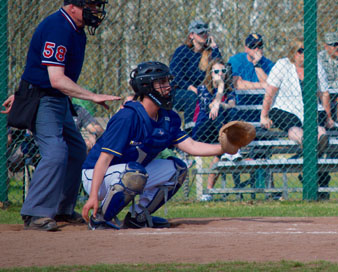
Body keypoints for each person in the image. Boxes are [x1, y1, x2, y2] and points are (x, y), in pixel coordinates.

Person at [1, 0, 120, 231]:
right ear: (73, 7)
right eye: (90, 5)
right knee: (55, 152)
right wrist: (92, 96)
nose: (95, 10)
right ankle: (35, 213)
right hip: (44, 99)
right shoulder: (58, 27)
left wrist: (18, 91)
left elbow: (37, 66)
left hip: (57, 99)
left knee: (76, 149)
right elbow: (55, 79)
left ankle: (62, 209)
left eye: (97, 5)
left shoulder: (75, 29)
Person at [81, 61, 238, 229]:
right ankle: (100, 218)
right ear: (146, 86)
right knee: (134, 173)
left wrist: (224, 148)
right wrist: (92, 197)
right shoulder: (128, 117)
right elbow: (104, 160)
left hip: (130, 173)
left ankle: (138, 217)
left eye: (167, 81)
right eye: (162, 82)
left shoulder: (167, 117)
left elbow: (191, 146)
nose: (168, 86)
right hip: (96, 175)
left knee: (177, 169)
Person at [260, 38, 334, 195]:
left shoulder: (316, 65)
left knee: (321, 132)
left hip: (310, 107)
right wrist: (264, 116)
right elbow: (270, 92)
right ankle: (315, 173)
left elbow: (324, 93)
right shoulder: (282, 65)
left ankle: (309, 167)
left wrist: (328, 117)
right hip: (285, 108)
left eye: (308, 50)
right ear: (293, 53)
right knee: (295, 128)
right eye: (301, 50)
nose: (305, 54)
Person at [193, 58, 239, 198]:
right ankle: (230, 147)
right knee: (218, 112)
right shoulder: (202, 88)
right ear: (210, 74)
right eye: (216, 71)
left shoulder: (229, 88)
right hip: (204, 129)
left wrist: (220, 104)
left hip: (222, 130)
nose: (220, 74)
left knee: (232, 112)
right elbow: (210, 107)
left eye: (223, 71)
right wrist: (219, 91)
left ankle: (208, 191)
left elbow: (232, 105)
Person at [170, 19, 216, 127]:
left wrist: (214, 46)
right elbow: (175, 75)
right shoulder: (182, 51)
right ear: (191, 35)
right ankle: (190, 129)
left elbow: (219, 67)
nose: (204, 35)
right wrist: (190, 87)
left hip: (203, 90)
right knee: (192, 97)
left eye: (205, 33)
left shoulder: (209, 52)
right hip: (180, 91)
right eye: (200, 33)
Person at [228, 33, 275, 122]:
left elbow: (270, 85)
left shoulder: (268, 64)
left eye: (259, 46)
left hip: (261, 108)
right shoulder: (236, 60)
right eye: (253, 46)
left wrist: (256, 64)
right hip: (240, 106)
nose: (256, 49)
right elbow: (237, 84)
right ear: (246, 48)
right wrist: (262, 85)